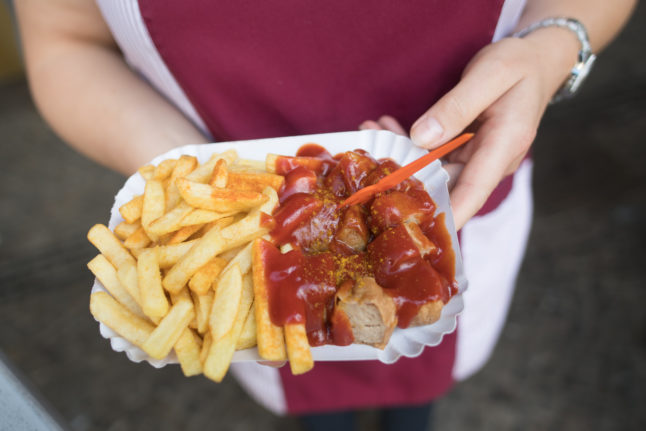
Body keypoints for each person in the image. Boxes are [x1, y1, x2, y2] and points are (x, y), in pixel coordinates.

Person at [15, 1, 636, 430]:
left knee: (423, 383)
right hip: (231, 255)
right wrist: (202, 179)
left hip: (470, 197)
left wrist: (553, 46)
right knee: (310, 399)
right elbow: (64, 41)